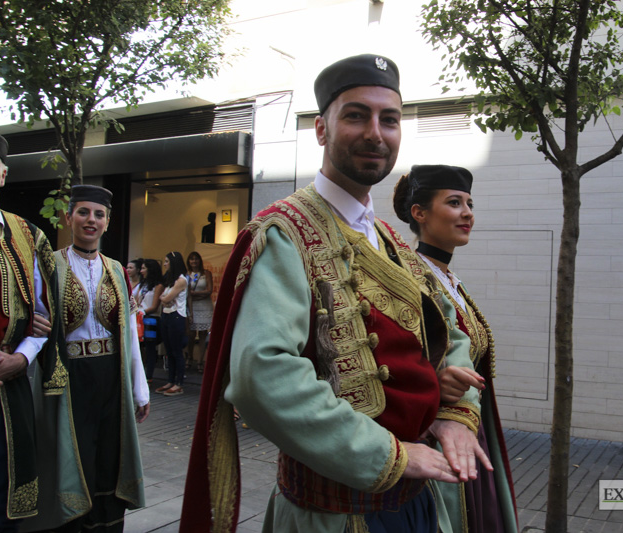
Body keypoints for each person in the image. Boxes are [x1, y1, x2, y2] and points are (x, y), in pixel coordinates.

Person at [181, 54, 488, 532]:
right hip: (333, 514)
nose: (375, 133)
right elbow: (262, 375)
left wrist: (454, 413)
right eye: (355, 115)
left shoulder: (385, 237)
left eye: (389, 120)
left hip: (418, 500)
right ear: (322, 129)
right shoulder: (285, 232)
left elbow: (451, 328)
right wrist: (387, 455)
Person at [393, 164, 519, 533]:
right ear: (420, 213)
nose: (468, 213)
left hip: (470, 428)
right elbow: (394, 355)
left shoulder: (448, 280)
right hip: (433, 437)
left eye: (469, 203)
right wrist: (434, 380)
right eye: (454, 202)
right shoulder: (407, 278)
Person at [50, 184, 149, 532]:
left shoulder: (117, 269)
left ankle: (105, 525)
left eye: (99, 214)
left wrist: (140, 390)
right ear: (69, 217)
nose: (91, 220)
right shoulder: (50, 266)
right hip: (68, 376)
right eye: (83, 212)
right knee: (74, 455)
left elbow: (129, 336)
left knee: (108, 455)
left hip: (111, 376)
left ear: (108, 222)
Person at [0, 133, 73, 532]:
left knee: (6, 495)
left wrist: (22, 356)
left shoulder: (28, 237)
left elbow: (46, 315)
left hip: (7, 390)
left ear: (3, 174)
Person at [155, 251, 188, 396]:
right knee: (169, 350)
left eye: (167, 261)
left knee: (176, 351)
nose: (164, 264)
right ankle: (170, 380)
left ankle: (179, 383)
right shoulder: (169, 279)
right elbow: (164, 297)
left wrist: (164, 297)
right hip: (166, 316)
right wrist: (164, 297)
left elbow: (166, 298)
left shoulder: (181, 280)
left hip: (176, 316)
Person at [186, 251, 213, 373]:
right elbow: (185, 292)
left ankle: (200, 361)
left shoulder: (206, 273)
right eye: (191, 259)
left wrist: (194, 294)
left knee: (202, 334)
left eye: (196, 259)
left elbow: (209, 290)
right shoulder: (186, 274)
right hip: (191, 306)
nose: (194, 261)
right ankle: (189, 357)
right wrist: (194, 296)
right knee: (190, 334)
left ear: (200, 261)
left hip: (204, 306)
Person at [138, 259, 164, 382]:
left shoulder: (158, 286)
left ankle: (149, 375)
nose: (141, 271)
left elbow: (155, 306)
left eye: (144, 268)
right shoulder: (143, 284)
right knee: (139, 347)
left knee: (150, 347)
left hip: (151, 319)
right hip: (140, 317)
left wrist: (142, 312)